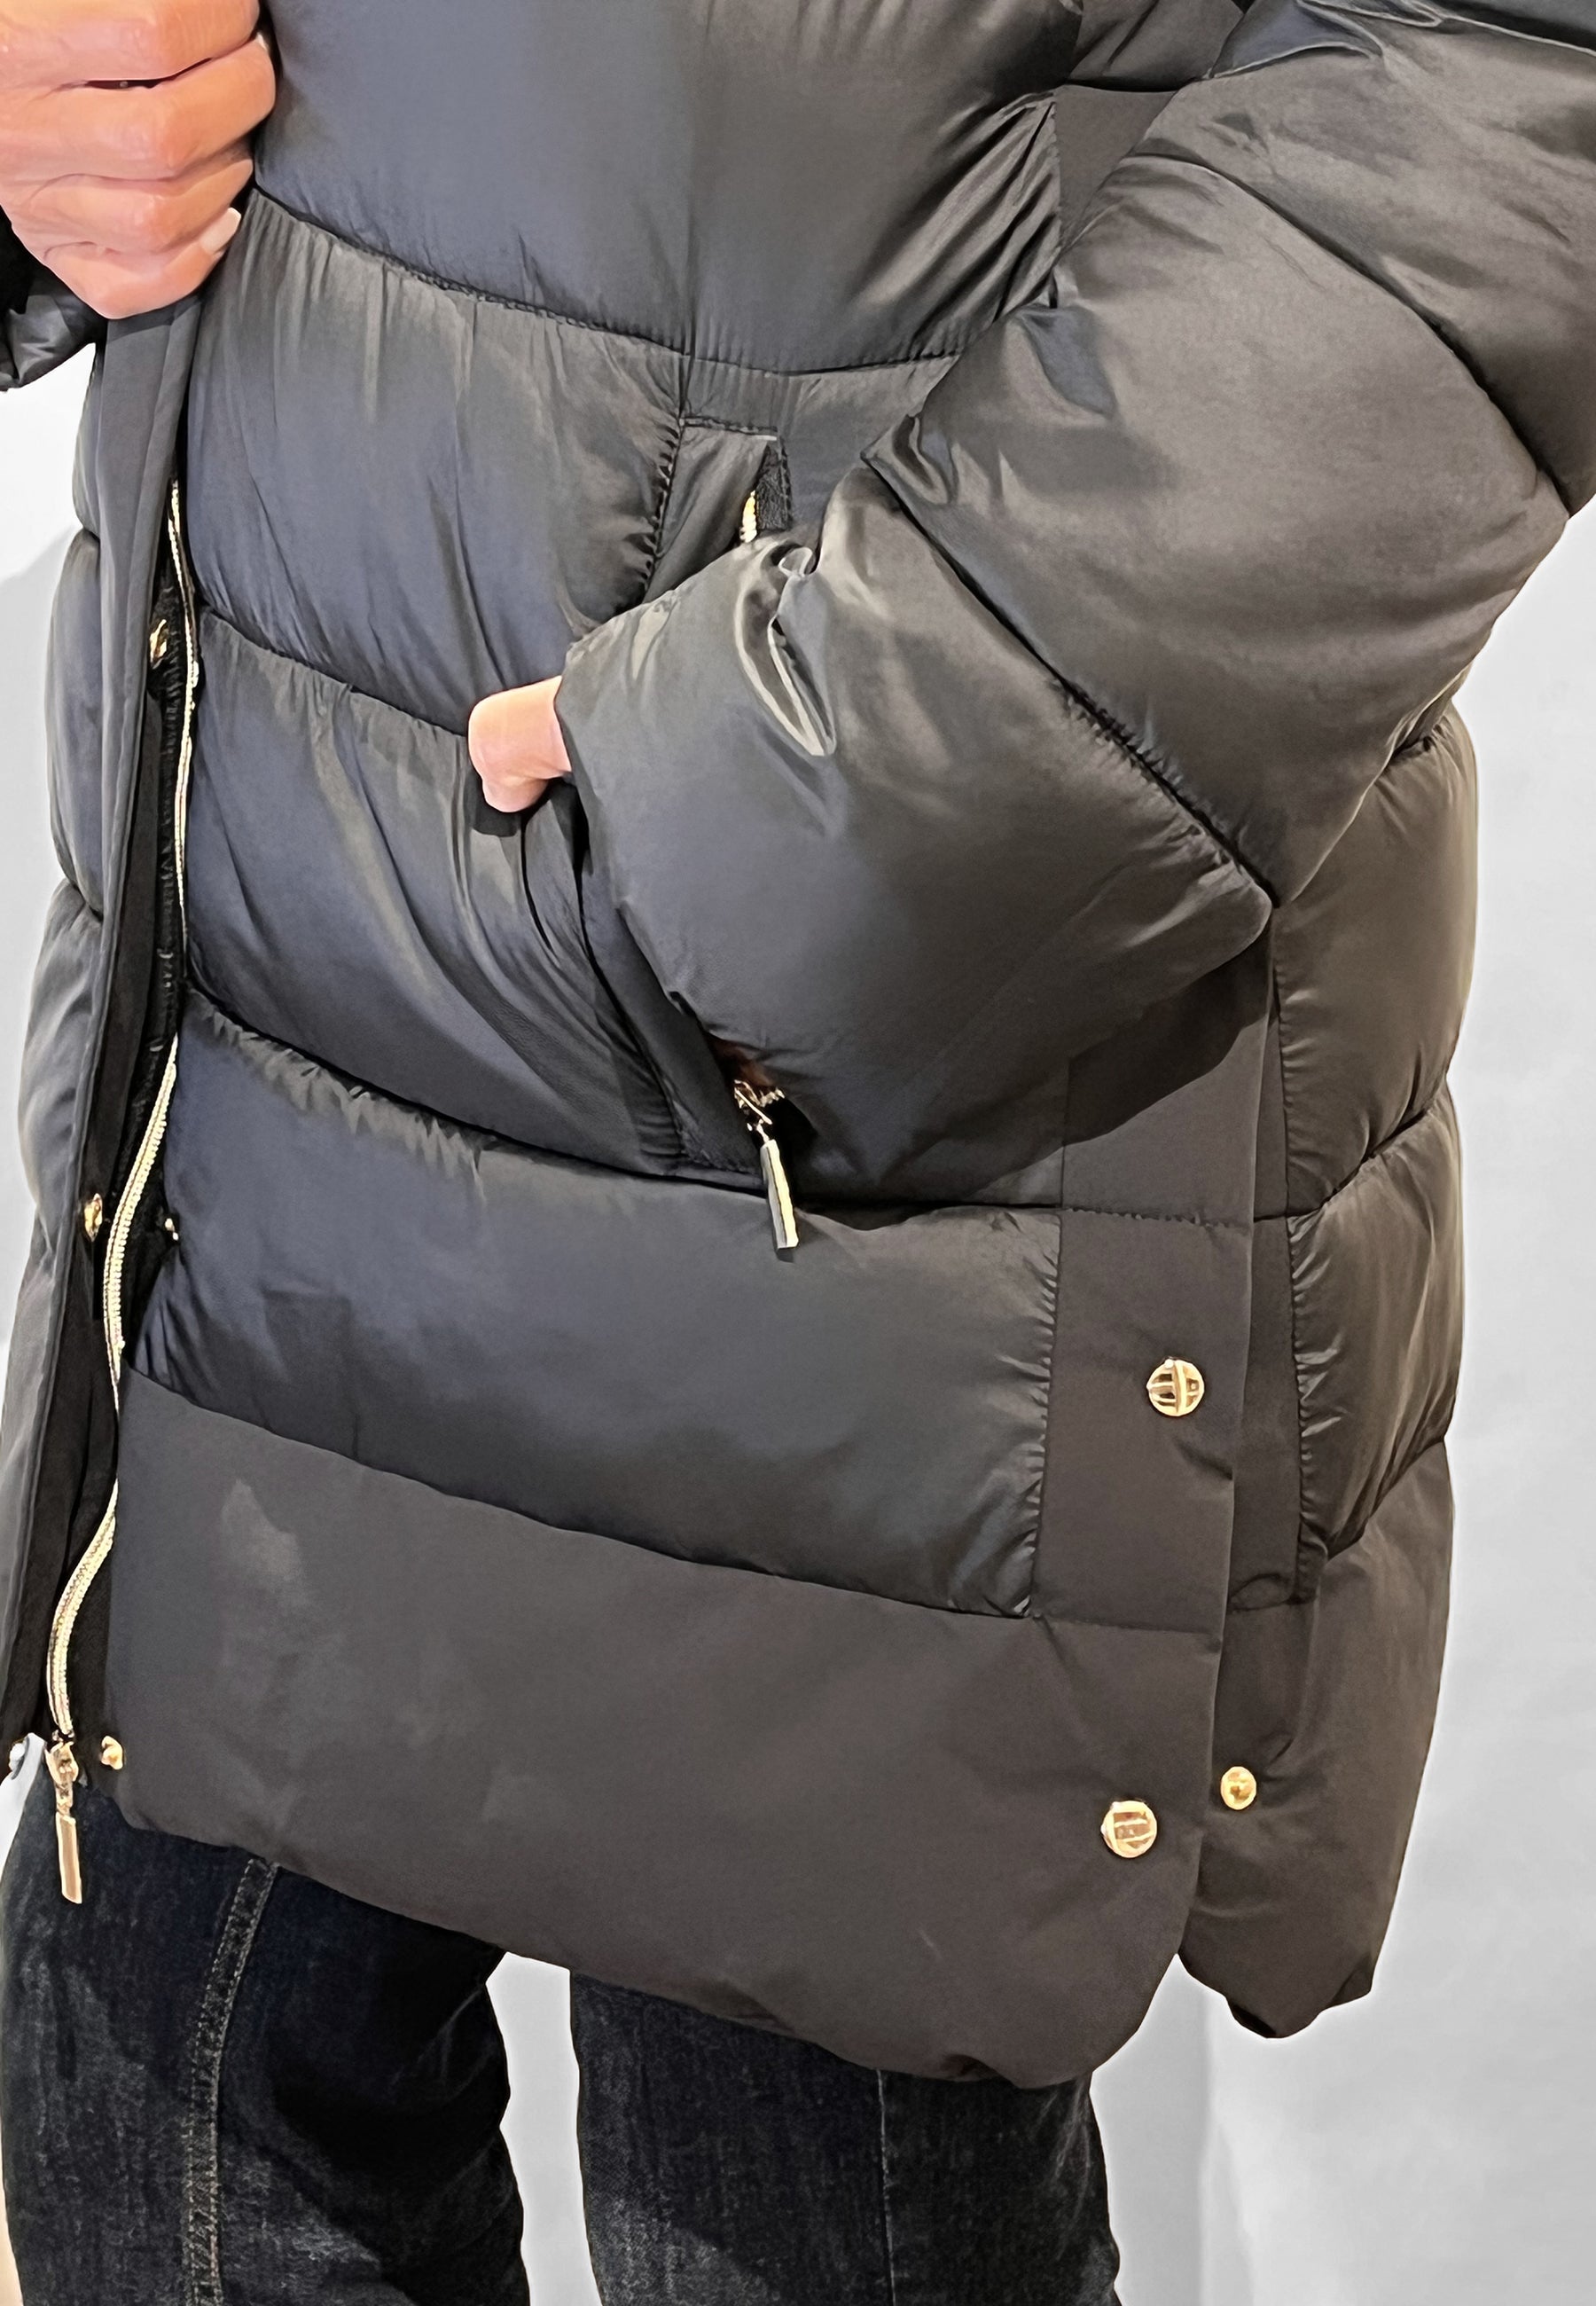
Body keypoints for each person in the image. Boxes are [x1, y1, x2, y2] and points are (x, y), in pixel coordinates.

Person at [0, 1, 1592, 2299]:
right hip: (243, 1054)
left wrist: (851, 792)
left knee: (796, 2207)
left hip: (828, 1100)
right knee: (156, 2139)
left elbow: (1513, 62)